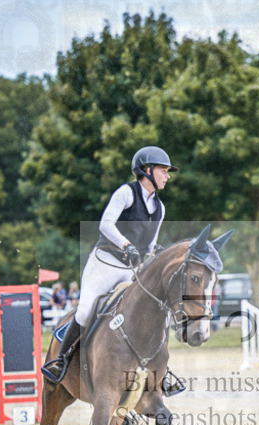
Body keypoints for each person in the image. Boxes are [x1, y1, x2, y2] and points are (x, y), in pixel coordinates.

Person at [42, 145, 178, 383]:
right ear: (147, 170)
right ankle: (60, 362)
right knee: (84, 311)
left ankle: (161, 370)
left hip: (129, 271)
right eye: (164, 170)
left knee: (156, 312)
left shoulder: (160, 208)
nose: (167, 176)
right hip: (104, 263)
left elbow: (150, 244)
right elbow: (105, 224)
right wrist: (126, 244)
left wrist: (156, 252)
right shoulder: (126, 193)